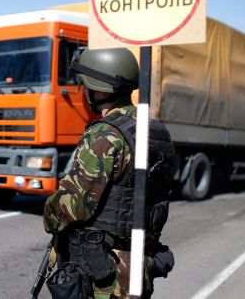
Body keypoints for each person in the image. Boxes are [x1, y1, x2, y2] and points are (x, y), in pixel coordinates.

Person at [43, 47, 174, 299]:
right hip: (139, 265)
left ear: (98, 86)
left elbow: (73, 207)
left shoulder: (105, 134)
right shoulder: (155, 131)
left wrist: (50, 213)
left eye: (86, 83)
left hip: (105, 274)